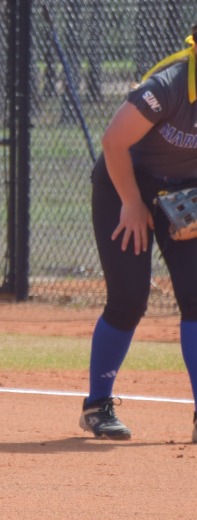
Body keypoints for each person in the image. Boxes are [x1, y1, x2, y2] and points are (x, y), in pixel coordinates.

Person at [81, 28, 197, 441]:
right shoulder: (168, 86)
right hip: (123, 184)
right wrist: (132, 202)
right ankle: (97, 406)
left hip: (183, 192)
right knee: (129, 298)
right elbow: (114, 142)